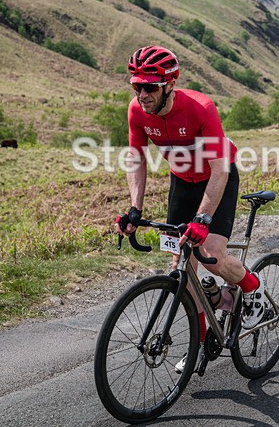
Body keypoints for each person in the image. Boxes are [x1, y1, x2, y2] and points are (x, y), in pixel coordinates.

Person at [114, 45, 266, 334]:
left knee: (211, 256)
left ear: (170, 84)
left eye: (150, 87)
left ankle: (252, 288)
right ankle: (201, 337)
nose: (142, 95)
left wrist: (204, 219)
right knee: (180, 262)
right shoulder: (136, 110)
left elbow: (220, 170)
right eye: (136, 86)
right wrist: (135, 210)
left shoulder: (201, 108)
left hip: (216, 180)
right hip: (182, 182)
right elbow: (136, 159)